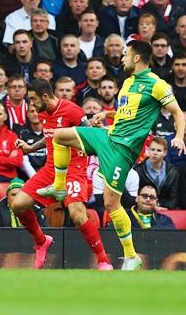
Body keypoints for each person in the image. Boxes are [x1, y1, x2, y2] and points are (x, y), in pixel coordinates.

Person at [48, 40, 185, 270]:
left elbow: (178, 113)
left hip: (122, 150)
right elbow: (126, 112)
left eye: (126, 54)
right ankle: (59, 185)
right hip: (107, 136)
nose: (122, 58)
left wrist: (179, 136)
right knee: (59, 136)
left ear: (137, 58)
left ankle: (131, 256)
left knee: (112, 203)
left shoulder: (156, 84)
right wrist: (108, 113)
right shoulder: (128, 82)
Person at [12, 79, 112, 270]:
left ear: (45, 96)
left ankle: (103, 260)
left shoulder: (72, 111)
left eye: (33, 99)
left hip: (74, 168)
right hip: (51, 168)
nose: (31, 104)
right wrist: (31, 148)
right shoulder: (43, 113)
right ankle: (41, 241)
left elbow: (89, 136)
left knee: (77, 214)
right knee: (17, 205)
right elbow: (50, 136)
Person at [133, 137, 180, 210]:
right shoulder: (138, 170)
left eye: (159, 150)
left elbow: (174, 197)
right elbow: (136, 195)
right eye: (152, 149)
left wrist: (164, 208)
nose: (155, 153)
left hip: (166, 210)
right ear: (148, 150)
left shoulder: (173, 172)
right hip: (143, 209)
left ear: (165, 153)